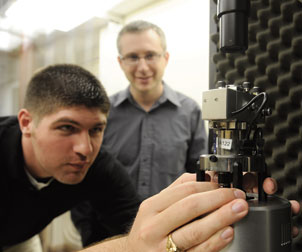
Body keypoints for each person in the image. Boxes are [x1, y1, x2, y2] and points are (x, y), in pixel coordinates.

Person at [0, 63, 298, 252]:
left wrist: (189, 228)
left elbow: (133, 226)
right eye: (67, 128)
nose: (85, 149)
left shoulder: (98, 166)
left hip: (23, 234)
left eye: (96, 130)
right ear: (27, 123)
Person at [71, 19, 208, 246]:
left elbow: (199, 177)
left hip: (172, 238)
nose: (142, 67)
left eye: (150, 55)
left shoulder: (190, 111)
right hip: (111, 238)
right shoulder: (103, 114)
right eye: (133, 57)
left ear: (166, 58)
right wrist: (89, 234)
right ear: (120, 62)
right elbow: (85, 175)